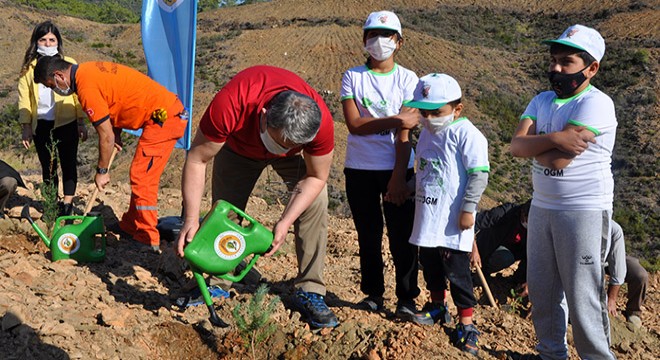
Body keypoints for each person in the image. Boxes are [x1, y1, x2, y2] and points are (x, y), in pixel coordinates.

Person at [175, 65, 338, 328]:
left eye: (291, 144)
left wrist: (285, 221)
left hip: (294, 162)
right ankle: (219, 281)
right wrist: (191, 219)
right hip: (239, 147)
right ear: (263, 117)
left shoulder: (320, 124)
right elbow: (197, 158)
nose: (280, 148)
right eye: (278, 141)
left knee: (316, 202)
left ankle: (310, 290)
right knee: (225, 211)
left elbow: (316, 177)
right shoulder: (234, 102)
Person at [510, 24, 617, 359]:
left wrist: (537, 145)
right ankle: (551, 354)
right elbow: (516, 146)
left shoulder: (597, 104)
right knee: (543, 292)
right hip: (543, 207)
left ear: (592, 68)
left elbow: (556, 162)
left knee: (583, 296)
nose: (555, 68)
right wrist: (557, 137)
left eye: (566, 61)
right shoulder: (542, 100)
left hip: (582, 210)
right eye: (553, 60)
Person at [33, 56, 188, 251]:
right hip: (162, 114)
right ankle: (131, 225)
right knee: (140, 174)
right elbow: (116, 99)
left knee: (142, 177)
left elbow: (105, 136)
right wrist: (117, 131)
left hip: (164, 119)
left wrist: (102, 170)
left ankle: (148, 236)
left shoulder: (85, 87)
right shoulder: (87, 69)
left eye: (50, 86)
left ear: (58, 76)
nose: (54, 90)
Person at [340, 10, 423, 320]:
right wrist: (393, 119)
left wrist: (399, 178)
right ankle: (373, 294)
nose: (379, 41)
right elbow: (354, 125)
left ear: (399, 42)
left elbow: (406, 130)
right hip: (359, 168)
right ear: (364, 40)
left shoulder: (409, 79)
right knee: (368, 234)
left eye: (386, 35)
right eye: (372, 34)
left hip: (397, 166)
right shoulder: (352, 76)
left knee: (402, 236)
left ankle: (407, 298)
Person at [406, 73, 490, 355]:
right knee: (430, 265)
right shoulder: (428, 133)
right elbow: (425, 170)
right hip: (428, 215)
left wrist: (468, 210)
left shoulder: (466, 134)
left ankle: (467, 322)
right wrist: (407, 187)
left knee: (457, 271)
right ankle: (437, 306)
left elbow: (479, 174)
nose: (429, 118)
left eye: (437, 112)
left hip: (453, 219)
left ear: (457, 109)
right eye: (424, 112)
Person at [18, 21, 87, 217]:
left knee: (68, 163)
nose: (47, 44)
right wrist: (26, 126)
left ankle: (67, 204)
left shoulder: (68, 63)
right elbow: (24, 98)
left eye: (51, 40)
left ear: (58, 42)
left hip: (67, 121)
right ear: (36, 42)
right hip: (41, 124)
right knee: (48, 165)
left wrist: (81, 122)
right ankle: (51, 204)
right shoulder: (28, 69)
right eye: (43, 40)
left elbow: (78, 95)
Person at [471, 200, 531, 286]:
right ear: (523, 212)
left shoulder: (535, 232)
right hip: (486, 246)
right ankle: (477, 275)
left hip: (504, 255)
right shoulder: (506, 212)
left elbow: (529, 257)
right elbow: (474, 223)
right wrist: (473, 248)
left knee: (506, 257)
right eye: (527, 219)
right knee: (504, 257)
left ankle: (484, 273)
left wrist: (521, 281)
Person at [606, 221, 648, 329]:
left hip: (611, 256)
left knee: (640, 275)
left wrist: (611, 299)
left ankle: (634, 312)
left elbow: (618, 267)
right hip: (588, 261)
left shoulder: (614, 229)